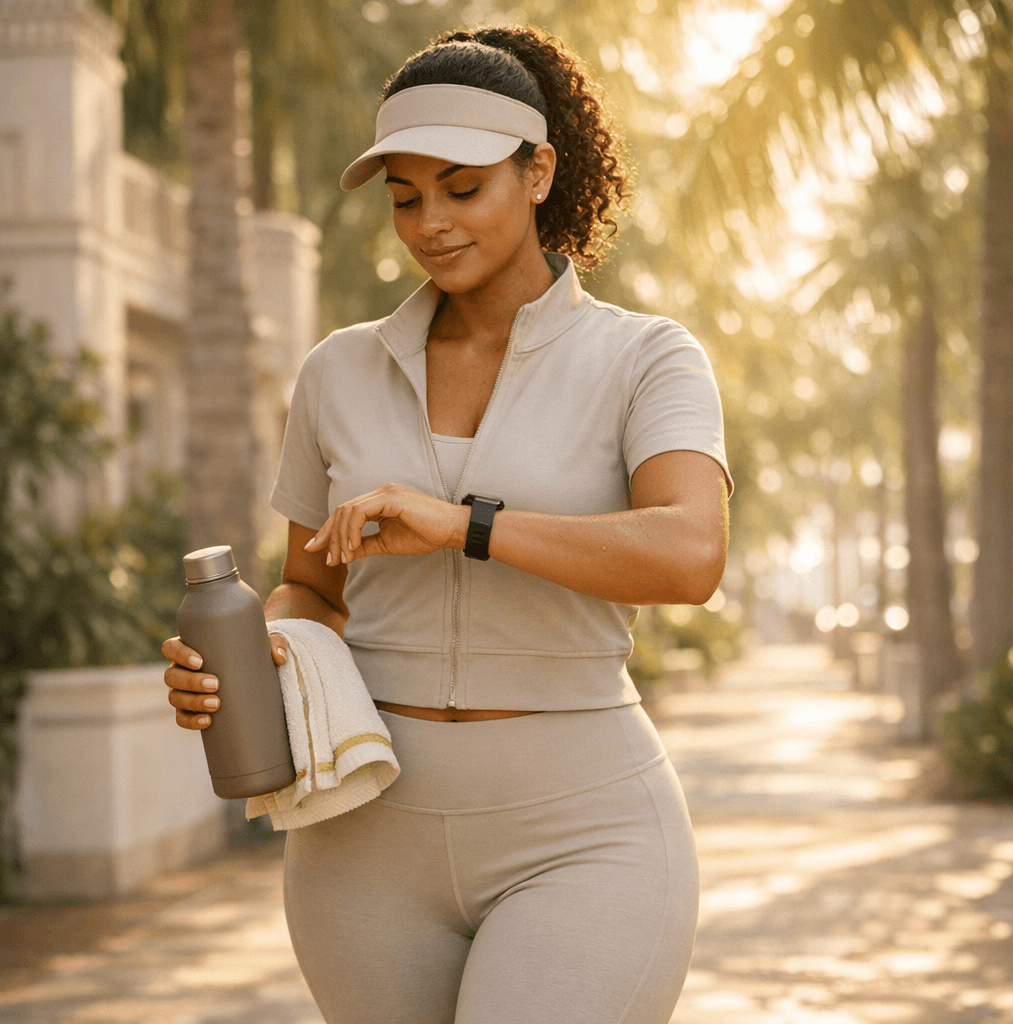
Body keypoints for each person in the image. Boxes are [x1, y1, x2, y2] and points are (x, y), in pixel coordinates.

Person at [163, 24, 732, 1024]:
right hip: (360, 844)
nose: (430, 223)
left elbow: (689, 551)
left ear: (538, 171)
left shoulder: (646, 360)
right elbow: (311, 587)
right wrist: (254, 657)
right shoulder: (335, 371)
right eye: (405, 198)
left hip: (584, 829)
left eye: (462, 189)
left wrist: (463, 524)